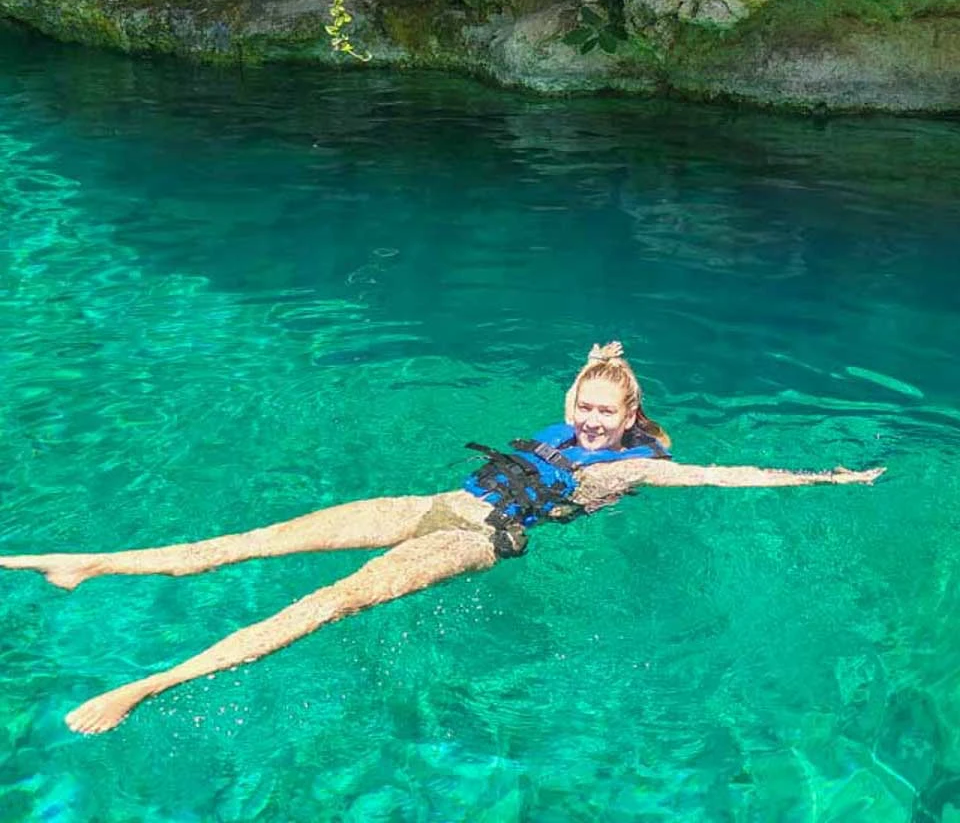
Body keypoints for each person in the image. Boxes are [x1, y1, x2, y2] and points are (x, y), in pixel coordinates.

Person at [0, 342, 884, 735]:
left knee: (326, 604)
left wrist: (827, 479)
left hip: (479, 536)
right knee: (243, 540)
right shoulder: (572, 412)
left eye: (606, 410)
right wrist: (600, 354)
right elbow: (592, 376)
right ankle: (85, 560)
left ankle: (148, 684)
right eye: (584, 405)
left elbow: (728, 477)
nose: (590, 418)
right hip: (436, 501)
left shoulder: (640, 466)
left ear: (633, 417)